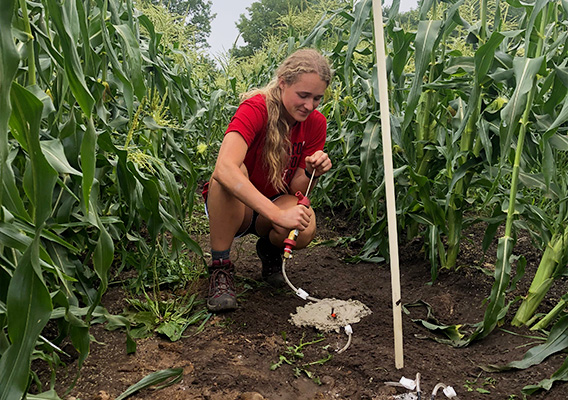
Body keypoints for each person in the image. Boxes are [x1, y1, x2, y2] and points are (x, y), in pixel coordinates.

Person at [203, 48, 333, 312]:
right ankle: (220, 268)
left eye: (317, 98)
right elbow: (224, 168)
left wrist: (310, 172)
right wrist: (276, 213)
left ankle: (270, 250)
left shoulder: (316, 123)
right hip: (237, 207)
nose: (309, 105)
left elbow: (296, 187)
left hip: (271, 207)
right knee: (228, 174)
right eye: (303, 95)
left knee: (304, 229)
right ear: (283, 82)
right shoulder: (255, 108)